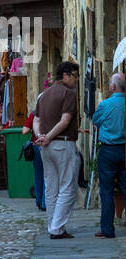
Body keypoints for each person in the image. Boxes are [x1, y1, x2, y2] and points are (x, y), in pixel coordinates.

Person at [34, 60, 81, 240]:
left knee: (51, 186)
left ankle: (52, 225)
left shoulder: (44, 94)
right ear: (66, 75)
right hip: (62, 142)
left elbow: (36, 120)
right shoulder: (68, 94)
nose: (76, 80)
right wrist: (49, 137)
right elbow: (65, 121)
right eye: (75, 76)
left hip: (45, 146)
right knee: (67, 186)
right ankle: (57, 227)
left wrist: (41, 136)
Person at [92, 73, 125, 239]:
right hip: (124, 149)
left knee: (106, 190)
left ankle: (107, 229)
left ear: (112, 87)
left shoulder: (106, 104)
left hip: (108, 150)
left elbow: (96, 121)